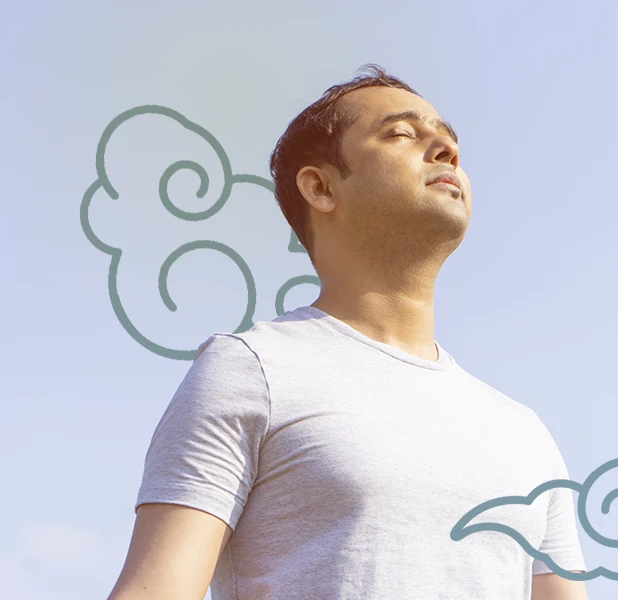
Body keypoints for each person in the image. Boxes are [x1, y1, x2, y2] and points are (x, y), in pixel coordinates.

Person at [107, 63, 589, 600]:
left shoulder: (523, 432)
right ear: (320, 187)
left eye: (450, 140)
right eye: (403, 134)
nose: (446, 150)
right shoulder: (253, 368)